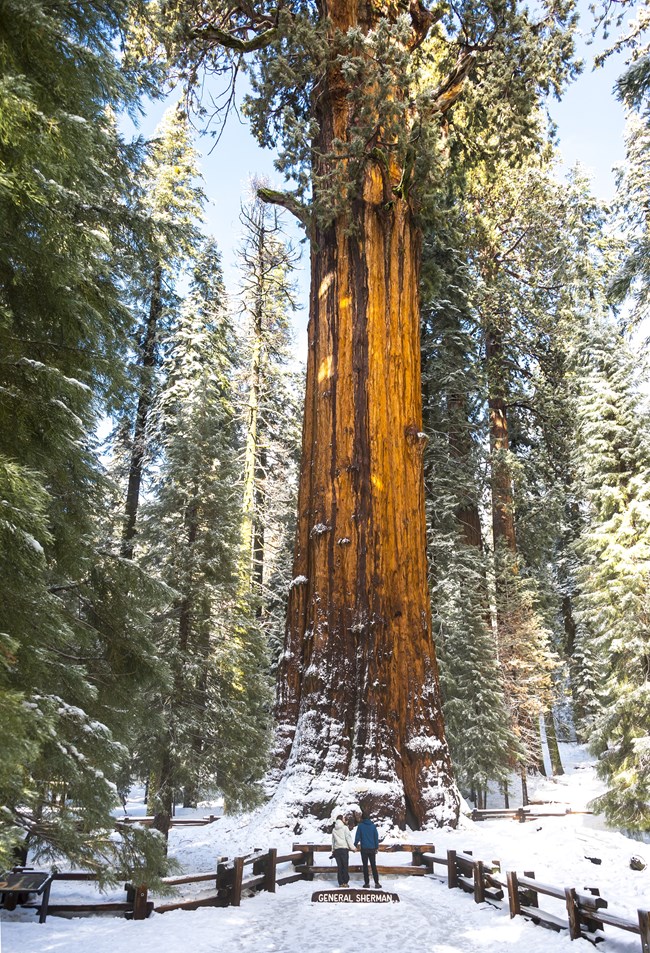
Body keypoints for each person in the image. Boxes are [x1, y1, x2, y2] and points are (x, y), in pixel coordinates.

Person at [354, 811, 382, 888]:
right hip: (372, 849)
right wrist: (376, 847)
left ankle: (367, 883)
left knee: (365, 866)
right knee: (373, 866)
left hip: (364, 849)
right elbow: (376, 837)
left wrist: (355, 845)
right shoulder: (373, 826)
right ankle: (377, 883)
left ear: (362, 818)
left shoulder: (360, 826)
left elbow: (358, 837)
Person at [331, 814, 356, 887]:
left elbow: (333, 841)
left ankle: (340, 883)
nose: (345, 820)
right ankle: (345, 882)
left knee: (339, 867)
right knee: (345, 866)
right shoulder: (345, 828)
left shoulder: (334, 829)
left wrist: (333, 850)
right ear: (341, 819)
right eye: (344, 819)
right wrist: (353, 848)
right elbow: (348, 838)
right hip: (344, 849)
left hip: (337, 850)